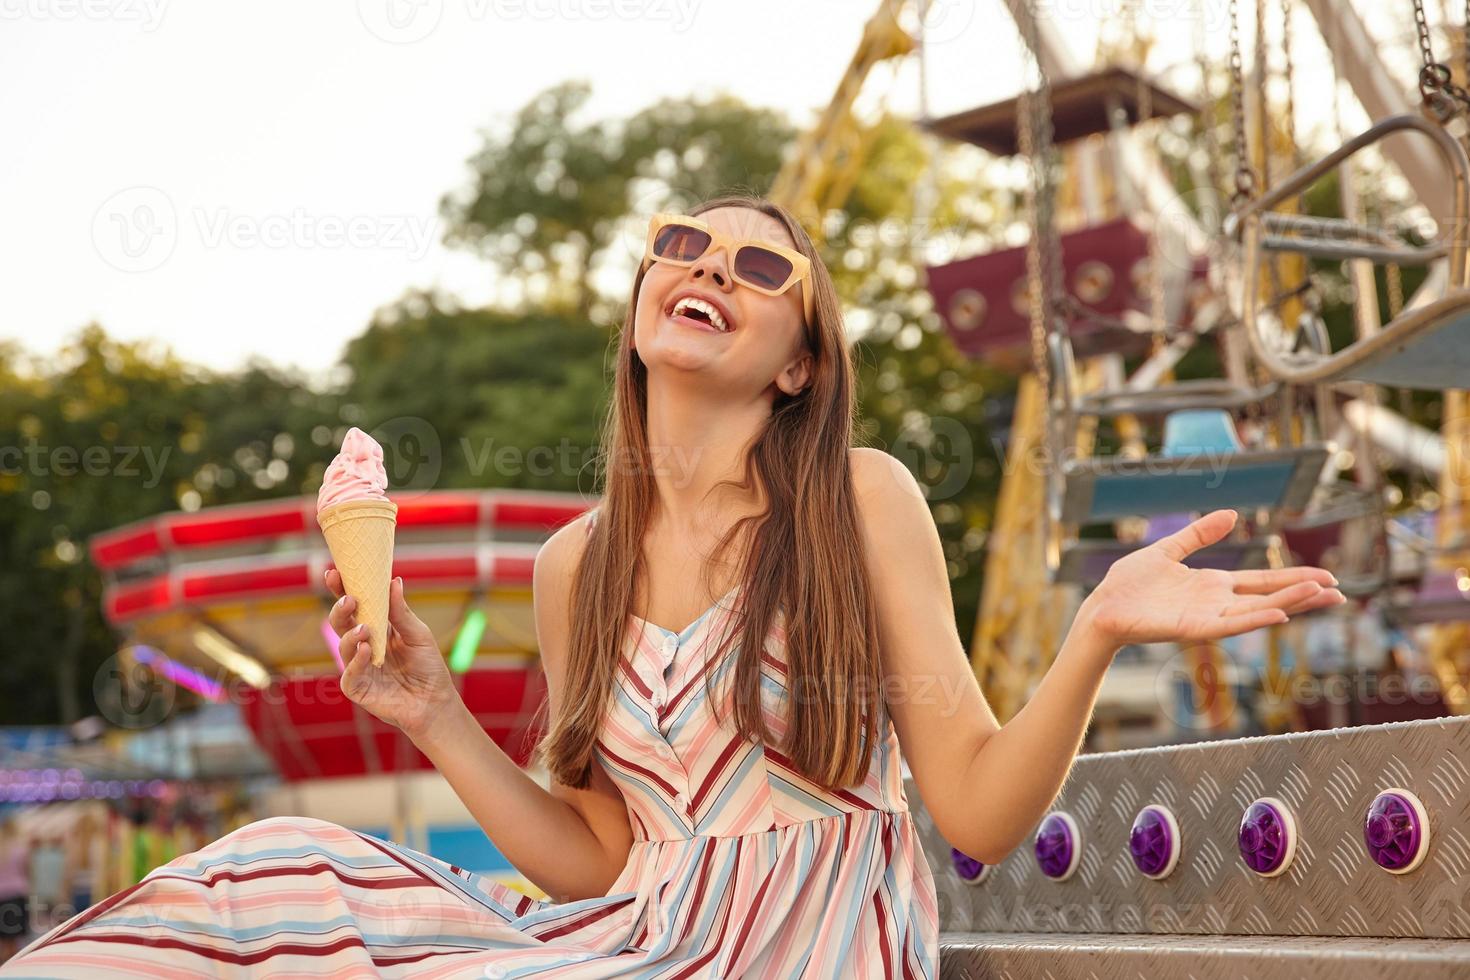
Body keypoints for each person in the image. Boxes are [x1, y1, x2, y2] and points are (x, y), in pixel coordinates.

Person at [4, 196, 1344, 977]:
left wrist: (1097, 627)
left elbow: (977, 808)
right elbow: (597, 848)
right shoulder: (571, 565)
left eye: (761, 269)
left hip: (813, 948)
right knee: (264, 871)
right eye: (684, 243)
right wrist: (430, 716)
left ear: (797, 363)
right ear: (646, 293)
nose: (709, 265)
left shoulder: (855, 498)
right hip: (627, 936)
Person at [0, 818, 28, 964]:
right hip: (16, 896)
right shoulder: (19, 848)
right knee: (15, 941)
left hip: (1, 897)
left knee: (4, 941)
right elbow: (27, 871)